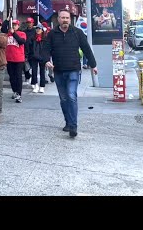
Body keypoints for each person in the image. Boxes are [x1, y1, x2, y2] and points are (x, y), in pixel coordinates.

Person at [45, 9, 98, 138]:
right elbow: (45, 49)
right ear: (58, 19)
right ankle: (68, 122)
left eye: (67, 18)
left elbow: (86, 48)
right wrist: (46, 60)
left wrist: (93, 65)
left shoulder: (77, 33)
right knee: (63, 99)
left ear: (70, 19)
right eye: (62, 18)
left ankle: (73, 126)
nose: (65, 20)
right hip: (58, 71)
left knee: (71, 96)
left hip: (73, 70)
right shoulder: (52, 34)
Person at [5, 19, 27, 103]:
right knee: (12, 77)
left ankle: (19, 94)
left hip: (19, 59)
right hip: (9, 59)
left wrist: (14, 33)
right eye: (13, 24)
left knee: (18, 77)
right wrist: (7, 20)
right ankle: (14, 91)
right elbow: (3, 28)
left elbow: (21, 41)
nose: (14, 26)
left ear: (18, 26)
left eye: (15, 25)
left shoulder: (22, 34)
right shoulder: (8, 34)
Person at [27, 25, 49, 93]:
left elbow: (47, 49)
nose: (38, 30)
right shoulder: (32, 38)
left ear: (42, 30)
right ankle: (35, 85)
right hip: (34, 57)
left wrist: (46, 58)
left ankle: (42, 86)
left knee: (42, 72)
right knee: (34, 71)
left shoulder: (45, 38)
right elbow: (29, 47)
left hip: (42, 57)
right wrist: (29, 55)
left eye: (39, 29)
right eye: (37, 29)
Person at [22, 17, 35, 83]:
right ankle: (27, 76)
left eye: (30, 23)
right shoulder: (24, 32)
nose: (29, 24)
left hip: (33, 51)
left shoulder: (35, 31)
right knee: (25, 66)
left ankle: (33, 79)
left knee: (33, 66)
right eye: (28, 23)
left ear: (33, 23)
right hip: (25, 51)